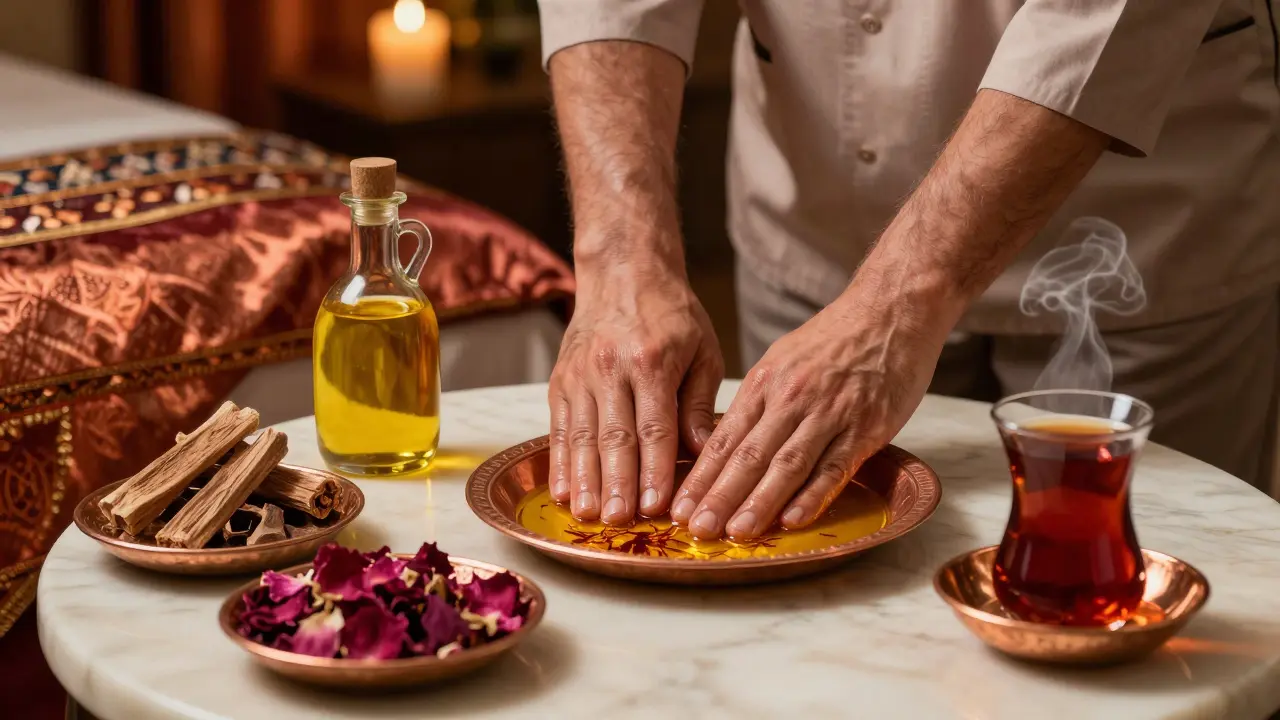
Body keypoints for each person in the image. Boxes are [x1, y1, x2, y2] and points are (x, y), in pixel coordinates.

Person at [536, 0, 1280, 540]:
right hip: (815, 200)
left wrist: (895, 305)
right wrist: (621, 257)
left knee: (1126, 601)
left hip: (1141, 219)